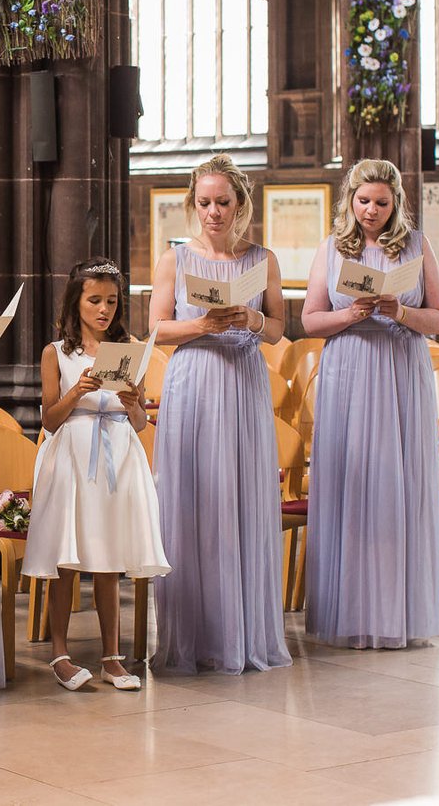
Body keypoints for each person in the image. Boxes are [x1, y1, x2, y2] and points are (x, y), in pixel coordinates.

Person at [151, 154, 290, 675]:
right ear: (193, 205)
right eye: (204, 203)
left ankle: (243, 633)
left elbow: (277, 328)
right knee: (197, 499)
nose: (213, 212)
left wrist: (251, 316)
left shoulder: (263, 259)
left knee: (243, 498)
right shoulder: (176, 259)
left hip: (243, 380)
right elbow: (157, 329)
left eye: (223, 203)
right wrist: (203, 326)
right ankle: (194, 636)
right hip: (194, 381)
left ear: (240, 205)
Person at [301, 158, 439, 650]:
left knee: (395, 483)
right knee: (354, 482)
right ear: (350, 199)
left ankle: (399, 611)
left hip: (401, 370)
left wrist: (400, 310)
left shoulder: (415, 245)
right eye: (363, 201)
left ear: (396, 203)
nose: (371, 210)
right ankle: (350, 610)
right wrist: (349, 314)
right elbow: (309, 320)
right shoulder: (331, 248)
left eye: (381, 202)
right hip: (349, 369)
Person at [23, 258, 169, 691]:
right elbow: (49, 420)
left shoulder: (128, 352)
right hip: (72, 456)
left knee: (110, 559)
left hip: (118, 457)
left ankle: (112, 656)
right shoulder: (57, 353)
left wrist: (134, 402)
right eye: (94, 300)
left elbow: (141, 423)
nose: (103, 309)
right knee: (68, 559)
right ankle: (61, 653)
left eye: (110, 301)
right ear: (76, 302)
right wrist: (77, 391)